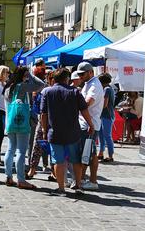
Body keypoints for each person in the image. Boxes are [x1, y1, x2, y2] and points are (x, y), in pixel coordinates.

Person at [41, 68, 94, 195]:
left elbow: (43, 113)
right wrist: (90, 124)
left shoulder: (47, 92)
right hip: (72, 132)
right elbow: (84, 109)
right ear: (67, 79)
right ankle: (78, 184)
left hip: (55, 132)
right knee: (75, 159)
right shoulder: (75, 92)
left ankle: (61, 188)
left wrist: (44, 129)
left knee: (58, 160)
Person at [2, 66, 45, 189]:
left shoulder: (8, 88)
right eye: (26, 75)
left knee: (10, 149)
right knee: (21, 151)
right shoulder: (22, 86)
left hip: (10, 122)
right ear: (22, 75)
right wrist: (31, 75)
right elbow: (41, 84)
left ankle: (8, 176)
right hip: (22, 122)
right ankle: (21, 179)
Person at [76, 62, 104, 191]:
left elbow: (87, 103)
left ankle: (93, 181)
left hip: (89, 125)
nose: (80, 76)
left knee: (91, 154)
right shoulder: (88, 83)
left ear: (90, 72)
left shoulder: (94, 85)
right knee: (85, 153)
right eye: (79, 74)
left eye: (82, 74)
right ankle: (81, 178)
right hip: (86, 123)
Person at [97, 73, 116, 163]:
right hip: (104, 115)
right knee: (101, 135)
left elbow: (104, 104)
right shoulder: (108, 88)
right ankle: (101, 153)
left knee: (107, 136)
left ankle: (110, 155)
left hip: (107, 115)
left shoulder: (107, 89)